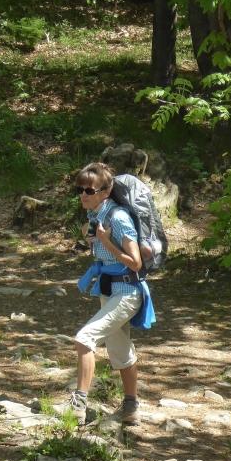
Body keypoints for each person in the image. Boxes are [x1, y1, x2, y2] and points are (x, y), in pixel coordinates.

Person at [65, 161, 153, 425]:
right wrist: (91, 238)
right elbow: (97, 245)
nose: (82, 194)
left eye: (89, 190)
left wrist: (105, 242)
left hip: (126, 292)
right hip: (110, 290)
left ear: (105, 191)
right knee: (119, 349)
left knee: (84, 339)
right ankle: (131, 408)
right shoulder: (96, 216)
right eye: (79, 189)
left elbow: (135, 262)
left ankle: (78, 404)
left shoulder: (118, 218)